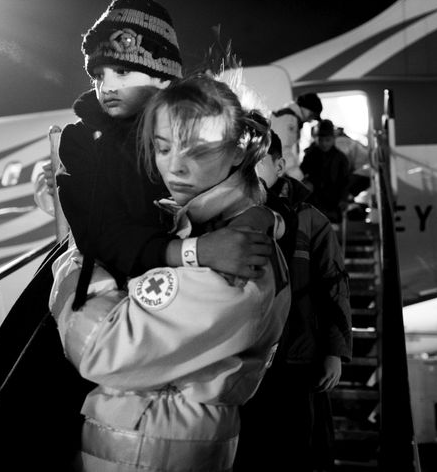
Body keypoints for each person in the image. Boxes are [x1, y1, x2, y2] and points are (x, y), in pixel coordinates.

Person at [0, 0, 273, 469]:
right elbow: (99, 233)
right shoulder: (83, 140)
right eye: (98, 74)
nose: (106, 85)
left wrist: (254, 216)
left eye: (123, 71)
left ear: (164, 77)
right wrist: (193, 251)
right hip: (97, 281)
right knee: (35, 422)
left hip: (165, 302)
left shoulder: (188, 129)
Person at [49, 73, 292, 471]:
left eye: (197, 150)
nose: (175, 167)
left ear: (237, 151)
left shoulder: (238, 256)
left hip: (151, 452)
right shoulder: (205, 227)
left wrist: (75, 264)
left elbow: (99, 348)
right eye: (162, 148)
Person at [234, 129, 353, 472]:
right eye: (240, 163)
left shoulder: (311, 220)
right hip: (243, 361)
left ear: (280, 166)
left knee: (296, 452)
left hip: (297, 360)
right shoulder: (227, 217)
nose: (248, 172)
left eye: (258, 163)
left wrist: (334, 352)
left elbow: (333, 286)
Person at [300, 118, 351, 227]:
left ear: (333, 139)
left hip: (333, 204)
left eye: (327, 140)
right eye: (320, 140)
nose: (324, 143)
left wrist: (344, 199)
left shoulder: (341, 158)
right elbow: (301, 175)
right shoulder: (310, 155)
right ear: (316, 138)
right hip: (313, 203)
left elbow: (345, 182)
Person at [270, 92, 323, 179]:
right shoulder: (289, 119)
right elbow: (283, 150)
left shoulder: (286, 115)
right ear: (305, 108)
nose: (310, 120)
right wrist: (298, 177)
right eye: (312, 115)